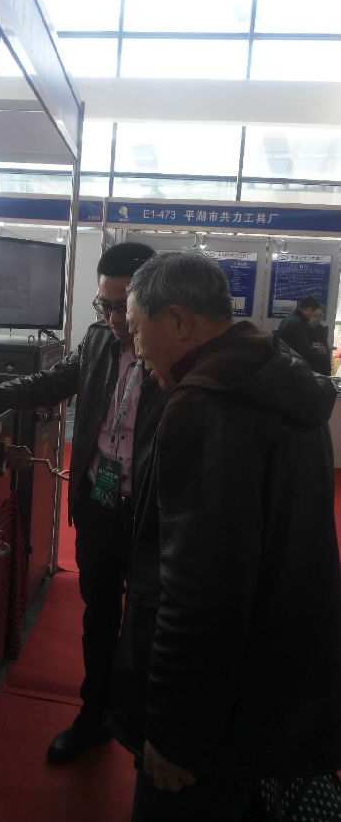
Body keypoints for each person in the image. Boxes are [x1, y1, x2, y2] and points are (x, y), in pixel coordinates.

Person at [110, 249, 340, 822]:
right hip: (269, 681)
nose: (135, 349)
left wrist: (172, 731)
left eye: (136, 329)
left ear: (178, 321)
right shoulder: (277, 372)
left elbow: (198, 590)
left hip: (210, 716)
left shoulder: (206, 404)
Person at [0, 242, 168, 763]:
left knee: (150, 626)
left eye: (122, 307)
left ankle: (149, 731)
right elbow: (52, 381)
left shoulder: (174, 357)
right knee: (98, 616)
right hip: (100, 505)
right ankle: (94, 716)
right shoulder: (100, 338)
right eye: (103, 305)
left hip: (154, 516)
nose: (112, 319)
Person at [277, 296, 329, 373]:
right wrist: (318, 350)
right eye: (314, 314)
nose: (313, 317)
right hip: (293, 367)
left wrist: (310, 345)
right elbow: (303, 351)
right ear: (310, 310)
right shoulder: (299, 323)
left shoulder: (287, 319)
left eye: (320, 316)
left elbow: (293, 343)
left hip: (283, 362)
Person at [309, 305, 331, 375]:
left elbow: (325, 348)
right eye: (315, 315)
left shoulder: (323, 329)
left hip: (322, 364)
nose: (318, 318)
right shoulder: (303, 328)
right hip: (308, 364)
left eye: (320, 316)